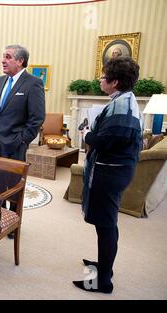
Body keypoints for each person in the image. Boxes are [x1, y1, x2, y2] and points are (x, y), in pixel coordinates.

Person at [73, 56, 143, 294]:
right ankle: (105, 267)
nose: (100, 80)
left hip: (110, 173)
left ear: (114, 82)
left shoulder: (122, 106)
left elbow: (105, 142)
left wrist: (87, 133)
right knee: (107, 223)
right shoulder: (124, 100)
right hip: (115, 171)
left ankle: (103, 282)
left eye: (103, 77)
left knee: (106, 225)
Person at [0, 44, 45, 238]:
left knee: (14, 186)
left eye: (7, 57)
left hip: (15, 144)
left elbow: (37, 118)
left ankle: (13, 223)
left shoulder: (33, 83)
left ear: (20, 60)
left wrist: (22, 141)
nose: (3, 60)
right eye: (3, 56)